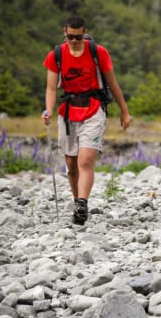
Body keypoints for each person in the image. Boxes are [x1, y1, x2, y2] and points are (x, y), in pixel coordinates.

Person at [42, 15, 131, 226]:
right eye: (71, 36)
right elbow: (51, 88)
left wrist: (124, 111)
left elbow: (112, 82)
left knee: (85, 161)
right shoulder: (56, 55)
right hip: (68, 111)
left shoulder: (98, 52)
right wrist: (48, 109)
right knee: (71, 164)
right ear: (65, 32)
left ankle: (82, 203)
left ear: (85, 33)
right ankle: (76, 201)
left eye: (78, 36)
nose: (74, 40)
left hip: (93, 108)